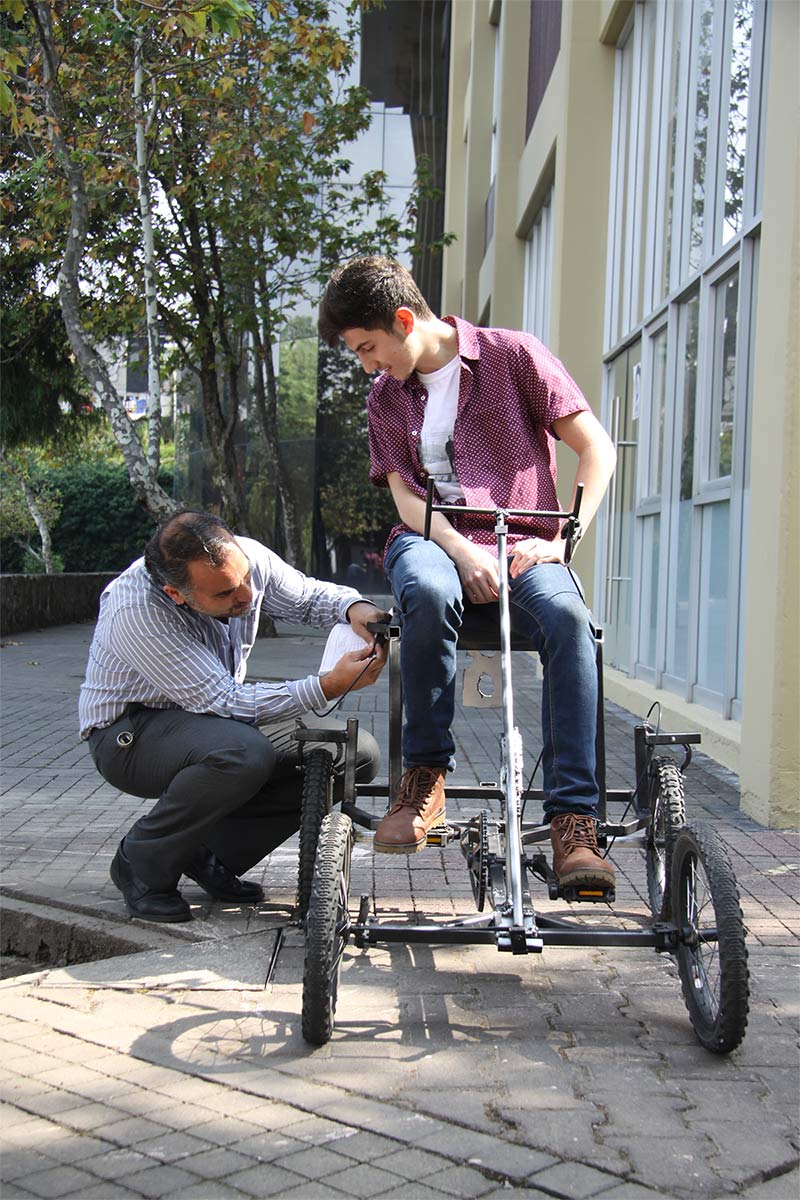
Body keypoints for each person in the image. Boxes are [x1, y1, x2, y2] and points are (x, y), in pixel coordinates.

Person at [318, 255, 617, 891]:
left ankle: (574, 822)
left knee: (569, 621)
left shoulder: (516, 355)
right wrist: (458, 548)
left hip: (525, 538)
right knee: (425, 589)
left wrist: (566, 538)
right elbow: (406, 500)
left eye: (369, 347)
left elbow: (597, 448)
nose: (369, 364)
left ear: (404, 320)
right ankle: (424, 779)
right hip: (432, 539)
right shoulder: (384, 398)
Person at [79, 510, 387, 923]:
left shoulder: (244, 559)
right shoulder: (137, 610)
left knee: (352, 753)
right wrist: (326, 686)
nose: (245, 595)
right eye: (225, 594)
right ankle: (142, 863)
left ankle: (209, 854)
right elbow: (224, 700)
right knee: (242, 754)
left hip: (211, 723)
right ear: (176, 594)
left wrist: (356, 607)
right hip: (130, 736)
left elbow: (308, 598)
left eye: (244, 579)